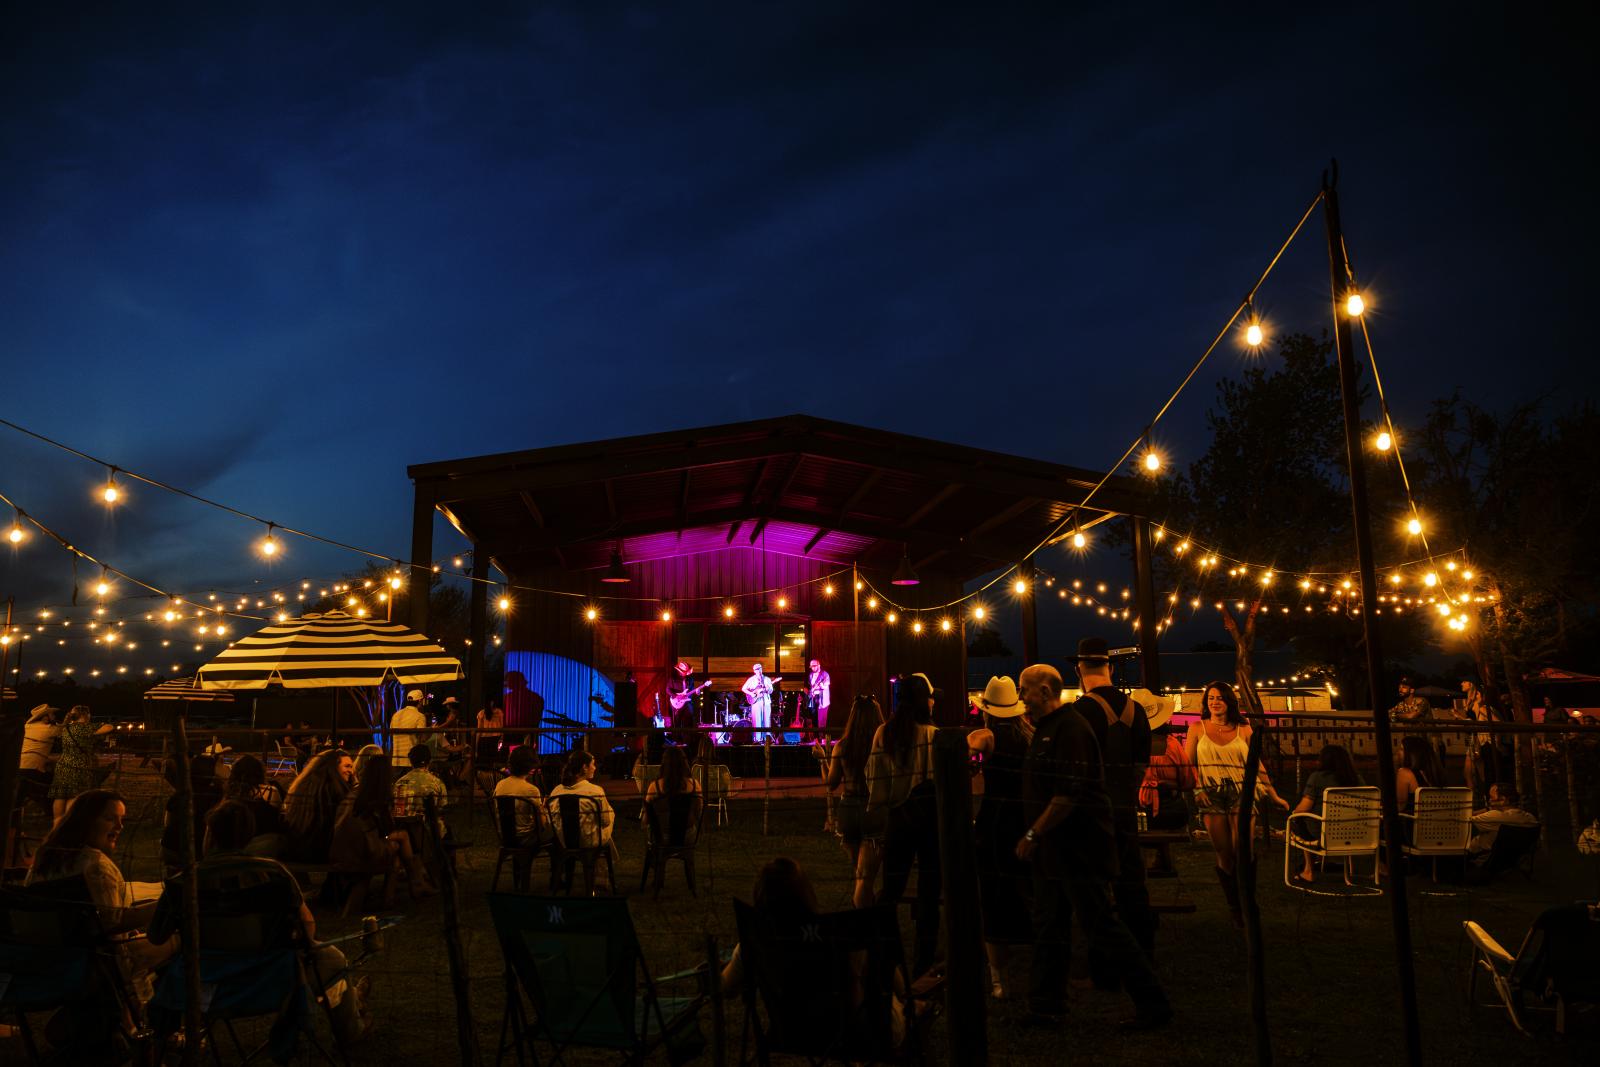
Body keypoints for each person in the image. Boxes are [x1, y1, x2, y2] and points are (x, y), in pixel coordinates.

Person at [1014, 663, 1170, 1030]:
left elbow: (1069, 793)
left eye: (1024, 689)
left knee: (1100, 925)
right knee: (1049, 924)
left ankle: (1153, 1004)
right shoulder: (1045, 729)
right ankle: (1046, 1005)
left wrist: (1033, 834)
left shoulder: (1071, 729)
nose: (1021, 697)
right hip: (1054, 850)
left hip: (1079, 848)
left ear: (1045, 691)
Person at [148, 801, 373, 1049]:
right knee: (333, 959)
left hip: (202, 986)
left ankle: (165, 1038)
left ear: (209, 835)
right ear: (249, 837)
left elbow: (156, 936)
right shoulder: (273, 873)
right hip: (269, 981)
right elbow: (307, 925)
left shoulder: (183, 882)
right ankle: (351, 1027)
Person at [26, 789, 175, 1054]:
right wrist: (168, 904)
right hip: (99, 964)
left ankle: (102, 1023)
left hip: (51, 959)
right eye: (110, 819)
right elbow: (112, 922)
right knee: (179, 942)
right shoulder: (94, 865)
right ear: (86, 820)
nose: (119, 827)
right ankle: (159, 1028)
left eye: (121, 820)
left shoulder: (44, 859)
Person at [1066, 638, 1156, 963]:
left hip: (1090, 813)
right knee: (1132, 883)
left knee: (1094, 888)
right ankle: (1142, 951)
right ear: (1111, 668)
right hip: (1125, 808)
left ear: (1079, 670)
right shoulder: (1137, 711)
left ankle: (1102, 959)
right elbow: (1141, 764)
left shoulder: (1079, 712)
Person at [1184, 680, 1290, 928]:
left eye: (1220, 698)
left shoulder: (1244, 728)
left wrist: (1273, 794)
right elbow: (1188, 764)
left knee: (1243, 848)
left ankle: (1248, 902)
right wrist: (1197, 789)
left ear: (1229, 702)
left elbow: (1256, 764)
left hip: (1242, 791)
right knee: (1224, 852)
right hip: (1211, 794)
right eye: (1211, 698)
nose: (1215, 702)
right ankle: (1235, 906)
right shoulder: (1197, 728)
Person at [866, 673, 940, 977]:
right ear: (925, 700)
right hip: (930, 819)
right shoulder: (935, 735)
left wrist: (884, 801)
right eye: (931, 697)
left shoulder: (885, 733)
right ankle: (924, 960)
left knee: (891, 890)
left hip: (899, 817)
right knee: (929, 890)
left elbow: (875, 779)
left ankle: (887, 954)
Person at [966, 676, 1033, 1000]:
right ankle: (1031, 964)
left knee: (992, 895)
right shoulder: (1030, 736)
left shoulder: (988, 736)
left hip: (995, 821)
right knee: (1026, 889)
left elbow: (972, 741)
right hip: (1026, 819)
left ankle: (998, 977)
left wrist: (968, 759)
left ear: (988, 711)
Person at [330, 753, 434, 905]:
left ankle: (395, 894)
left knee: (398, 846)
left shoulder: (357, 792)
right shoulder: (377, 796)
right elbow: (386, 830)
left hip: (342, 847)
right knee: (401, 838)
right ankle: (415, 883)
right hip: (360, 851)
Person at [821, 693, 886, 907]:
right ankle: (866, 917)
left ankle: (863, 911)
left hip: (848, 810)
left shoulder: (842, 746)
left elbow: (831, 783)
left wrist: (821, 760)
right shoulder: (882, 745)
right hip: (872, 809)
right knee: (865, 879)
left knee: (860, 874)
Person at [1287, 744, 1364, 885]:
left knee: (1297, 819)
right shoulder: (1357, 779)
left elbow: (1303, 808)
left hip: (1323, 833)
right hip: (1355, 832)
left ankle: (1308, 871)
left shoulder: (1317, 778)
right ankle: (1339, 865)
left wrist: (1294, 813)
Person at [1136, 692, 1193, 877]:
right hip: (1171, 810)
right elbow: (1188, 780)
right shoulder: (1172, 745)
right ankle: (1164, 862)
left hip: (1137, 810)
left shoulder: (1128, 746)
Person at [282, 748, 355, 863]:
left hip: (297, 850)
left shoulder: (306, 786)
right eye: (347, 766)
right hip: (322, 853)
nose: (351, 771)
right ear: (332, 768)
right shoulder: (335, 792)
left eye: (351, 767)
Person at [47, 704, 114, 824]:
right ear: (86, 715)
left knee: (60, 796)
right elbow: (109, 727)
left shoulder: (66, 728)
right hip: (79, 766)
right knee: (74, 796)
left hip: (63, 765)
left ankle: (57, 825)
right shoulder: (86, 728)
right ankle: (70, 824)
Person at [159, 754, 223, 873]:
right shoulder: (217, 796)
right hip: (200, 849)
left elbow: (167, 823)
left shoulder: (179, 795)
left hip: (172, 846)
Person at [548, 747, 616, 850]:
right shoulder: (595, 791)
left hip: (562, 841)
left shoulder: (556, 791)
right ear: (584, 767)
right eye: (593, 764)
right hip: (588, 842)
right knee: (610, 814)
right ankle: (603, 859)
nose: (595, 768)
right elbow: (605, 822)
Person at [223, 753, 287, 849]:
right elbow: (279, 815)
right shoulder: (270, 791)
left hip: (237, 846)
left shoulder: (230, 793)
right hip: (266, 846)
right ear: (260, 772)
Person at [395, 743, 450, 851]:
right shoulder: (437, 783)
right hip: (429, 833)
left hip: (403, 831)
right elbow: (442, 808)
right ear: (429, 761)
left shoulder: (399, 783)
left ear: (411, 761)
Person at [494, 744, 551, 844]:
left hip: (505, 836)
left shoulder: (500, 785)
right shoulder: (531, 790)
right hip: (526, 838)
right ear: (531, 766)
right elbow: (541, 823)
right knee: (556, 830)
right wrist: (544, 808)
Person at [1468, 782, 1539, 857]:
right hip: (1514, 859)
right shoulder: (1530, 818)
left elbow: (1466, 818)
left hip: (1480, 858)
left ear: (1502, 800)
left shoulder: (1494, 816)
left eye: (1491, 797)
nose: (1489, 801)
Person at [742, 662, 777, 742]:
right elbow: (743, 688)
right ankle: (757, 740)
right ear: (754, 671)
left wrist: (768, 689)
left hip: (766, 701)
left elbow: (771, 690)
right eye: (756, 669)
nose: (758, 670)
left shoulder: (767, 679)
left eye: (760, 668)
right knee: (757, 720)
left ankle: (767, 739)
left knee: (767, 720)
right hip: (756, 702)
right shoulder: (751, 679)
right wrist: (752, 694)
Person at [390, 690, 428, 761]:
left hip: (396, 759)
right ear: (420, 701)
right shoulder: (420, 716)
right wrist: (431, 730)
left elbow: (391, 734)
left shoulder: (396, 715)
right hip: (411, 759)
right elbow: (423, 738)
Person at [805, 658, 832, 731]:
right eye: (811, 666)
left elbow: (826, 686)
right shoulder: (811, 675)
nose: (812, 668)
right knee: (813, 718)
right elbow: (811, 686)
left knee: (822, 720)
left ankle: (822, 736)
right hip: (813, 699)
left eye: (814, 666)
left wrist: (822, 685)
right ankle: (815, 736)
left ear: (819, 665)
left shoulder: (825, 674)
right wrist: (808, 691)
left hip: (822, 700)